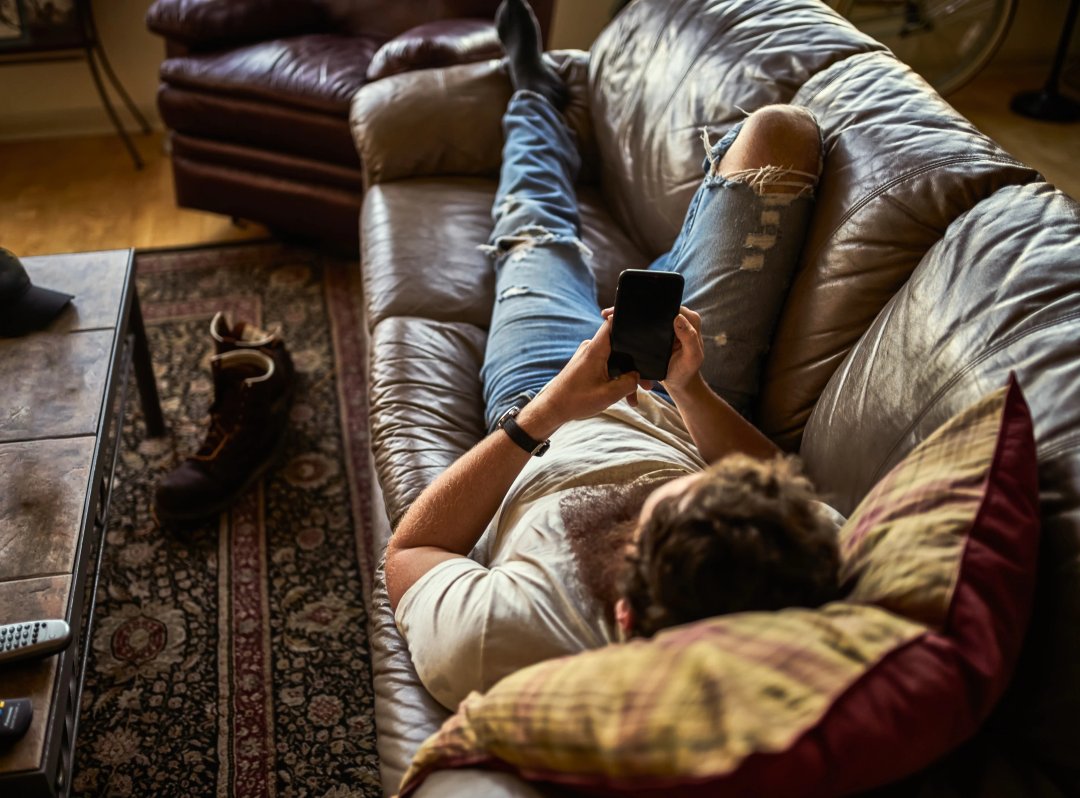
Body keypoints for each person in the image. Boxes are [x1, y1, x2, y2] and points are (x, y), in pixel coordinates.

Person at [384, 0, 842, 711]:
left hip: (539, 400)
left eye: (650, 510)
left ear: (626, 616)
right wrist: (691, 394)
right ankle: (674, 253)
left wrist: (546, 412)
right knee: (780, 136)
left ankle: (534, 91)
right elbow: (784, 488)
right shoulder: (789, 563)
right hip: (682, 395)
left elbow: (408, 557)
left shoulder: (503, 642)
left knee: (537, 228)